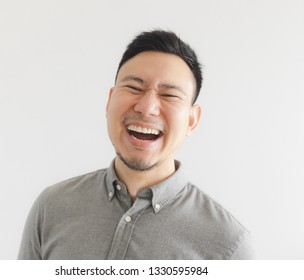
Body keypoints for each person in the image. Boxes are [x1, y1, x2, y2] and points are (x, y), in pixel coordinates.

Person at [18, 30, 253, 260]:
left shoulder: (228, 246)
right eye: (134, 88)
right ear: (110, 101)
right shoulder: (51, 207)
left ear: (192, 120)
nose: (147, 107)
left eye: (169, 95)